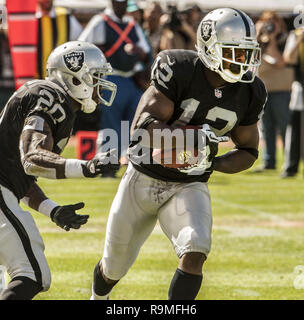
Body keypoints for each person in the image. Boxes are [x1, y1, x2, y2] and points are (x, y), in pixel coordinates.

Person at [90, 8, 267, 300]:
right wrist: (192, 139)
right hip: (144, 177)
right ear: (210, 47)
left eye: (247, 54)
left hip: (190, 183)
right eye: (234, 52)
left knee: (196, 247)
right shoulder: (179, 66)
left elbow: (248, 150)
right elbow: (143, 128)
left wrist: (210, 161)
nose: (243, 62)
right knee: (114, 266)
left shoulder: (251, 91)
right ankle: (98, 298)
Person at [0, 41, 118, 300]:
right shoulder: (53, 97)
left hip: (4, 189)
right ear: (76, 77)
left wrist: (51, 209)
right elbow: (32, 158)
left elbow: (21, 175)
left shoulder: (52, 98)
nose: (101, 85)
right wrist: (87, 167)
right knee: (32, 275)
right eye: (96, 77)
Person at [79, 0, 151, 177]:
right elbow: (83, 47)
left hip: (132, 80)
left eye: (125, 2)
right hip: (110, 78)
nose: (122, 5)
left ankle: (133, 166)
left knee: (135, 124)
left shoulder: (131, 24)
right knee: (111, 125)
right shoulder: (100, 21)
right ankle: (107, 167)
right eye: (119, 2)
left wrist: (138, 51)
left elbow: (147, 52)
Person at [254, 11, 293, 172]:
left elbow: (280, 61)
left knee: (285, 128)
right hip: (264, 92)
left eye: (273, 21)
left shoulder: (285, 39)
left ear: (280, 23)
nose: (270, 24)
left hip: (282, 91)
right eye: (266, 21)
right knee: (266, 128)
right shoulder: (260, 41)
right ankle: (269, 162)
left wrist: (271, 40)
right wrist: (257, 32)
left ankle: (290, 161)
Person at [281, 26, 304, 178]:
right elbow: (288, 58)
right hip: (301, 87)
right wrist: (300, 39)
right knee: (295, 128)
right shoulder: (295, 35)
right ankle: (291, 166)